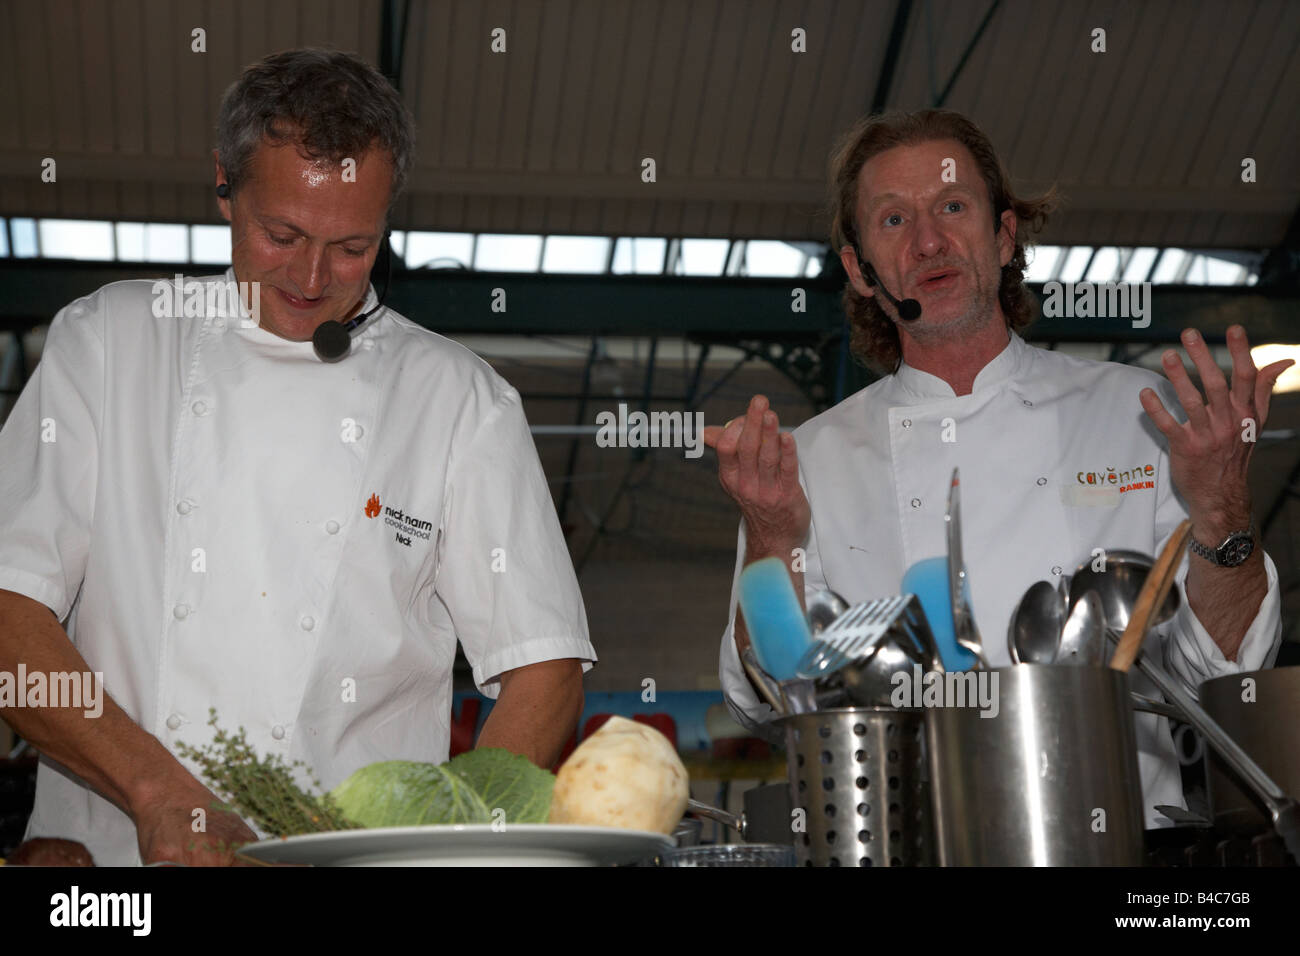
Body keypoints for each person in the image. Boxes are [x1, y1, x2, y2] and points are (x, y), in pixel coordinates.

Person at [0, 49, 594, 866]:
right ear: (223, 183)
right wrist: (156, 791)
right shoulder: (109, 343)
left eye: (352, 247)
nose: (312, 278)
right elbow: (9, 609)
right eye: (282, 235)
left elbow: (546, 667)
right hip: (113, 869)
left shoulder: (460, 400)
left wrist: (457, 843)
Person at [705, 108, 1290, 828]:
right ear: (860, 271)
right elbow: (772, 700)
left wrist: (1223, 507)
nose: (928, 240)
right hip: (915, 843)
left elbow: (1227, 672)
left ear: (1005, 235)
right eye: (893, 219)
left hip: (1118, 843)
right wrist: (772, 538)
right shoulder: (810, 459)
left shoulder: (1141, 415)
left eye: (953, 206)